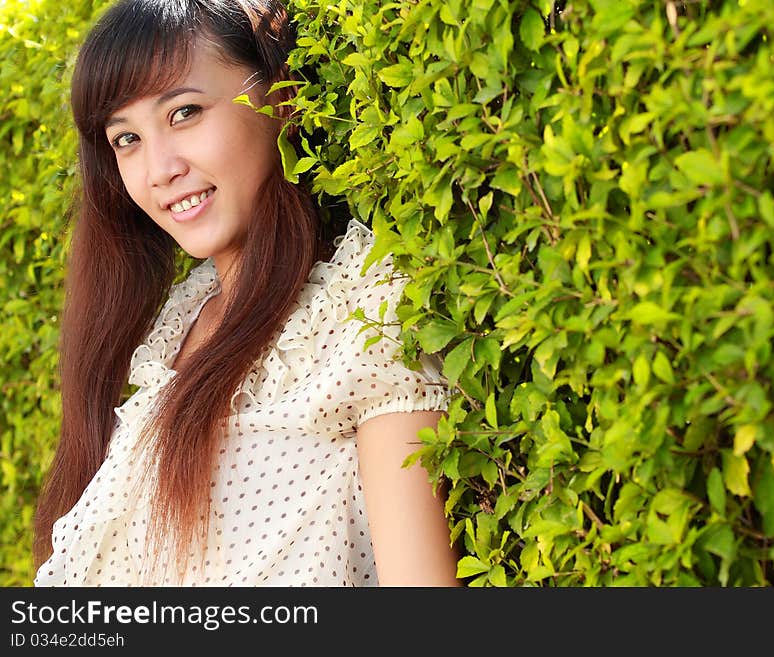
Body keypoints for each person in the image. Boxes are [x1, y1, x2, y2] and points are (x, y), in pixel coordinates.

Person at [31, 0, 460, 587]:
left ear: (275, 94)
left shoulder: (361, 313)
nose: (159, 169)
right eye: (126, 138)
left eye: (184, 112)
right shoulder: (174, 330)